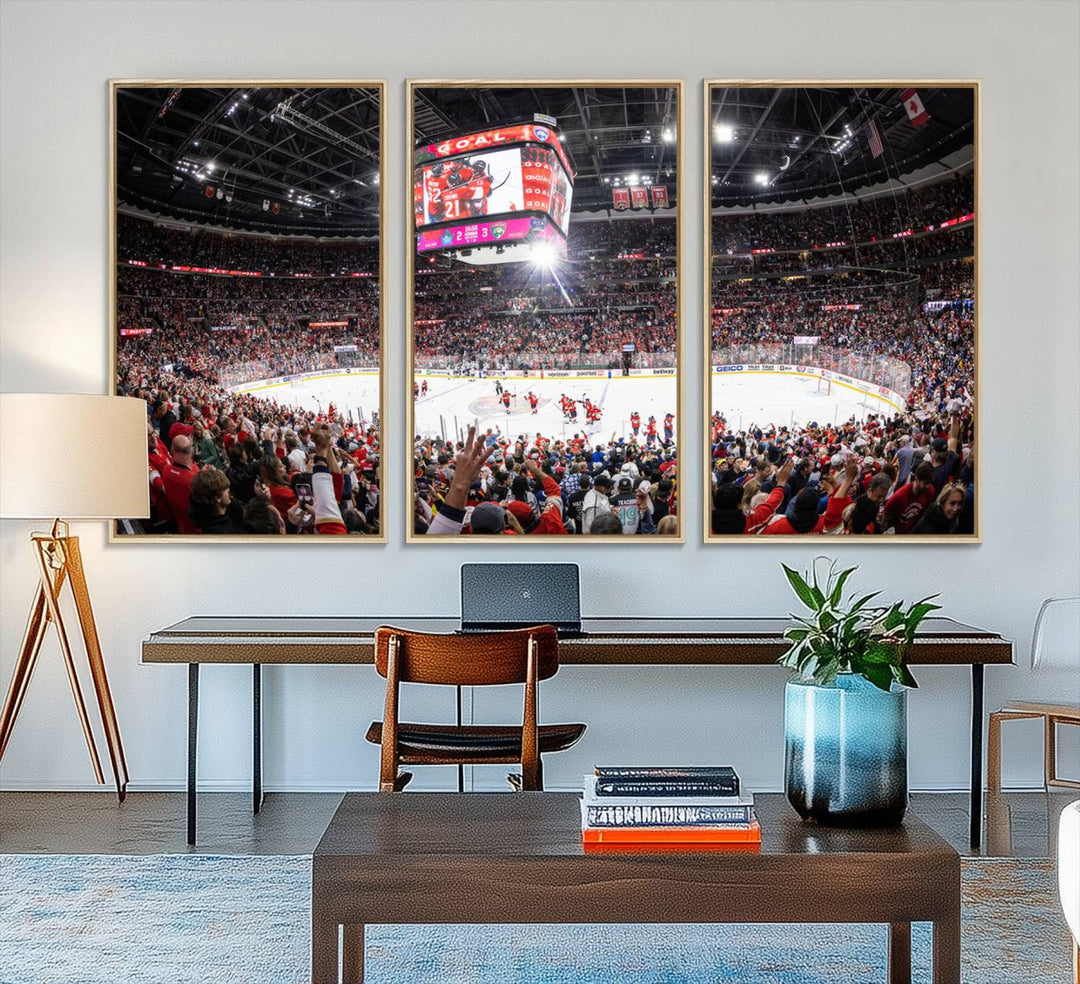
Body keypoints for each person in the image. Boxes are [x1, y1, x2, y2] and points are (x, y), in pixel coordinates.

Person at [162, 434, 200, 534]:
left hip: (181, 527)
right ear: (192, 452)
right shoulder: (196, 479)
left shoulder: (165, 471)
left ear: (172, 450)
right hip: (199, 530)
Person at [884, 462, 936, 533]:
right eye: (925, 483)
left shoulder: (930, 491)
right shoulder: (899, 497)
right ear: (917, 479)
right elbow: (885, 519)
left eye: (930, 483)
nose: (928, 486)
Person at [188, 468, 244, 533]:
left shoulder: (228, 506)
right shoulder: (219, 532)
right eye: (226, 489)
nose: (229, 490)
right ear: (217, 497)